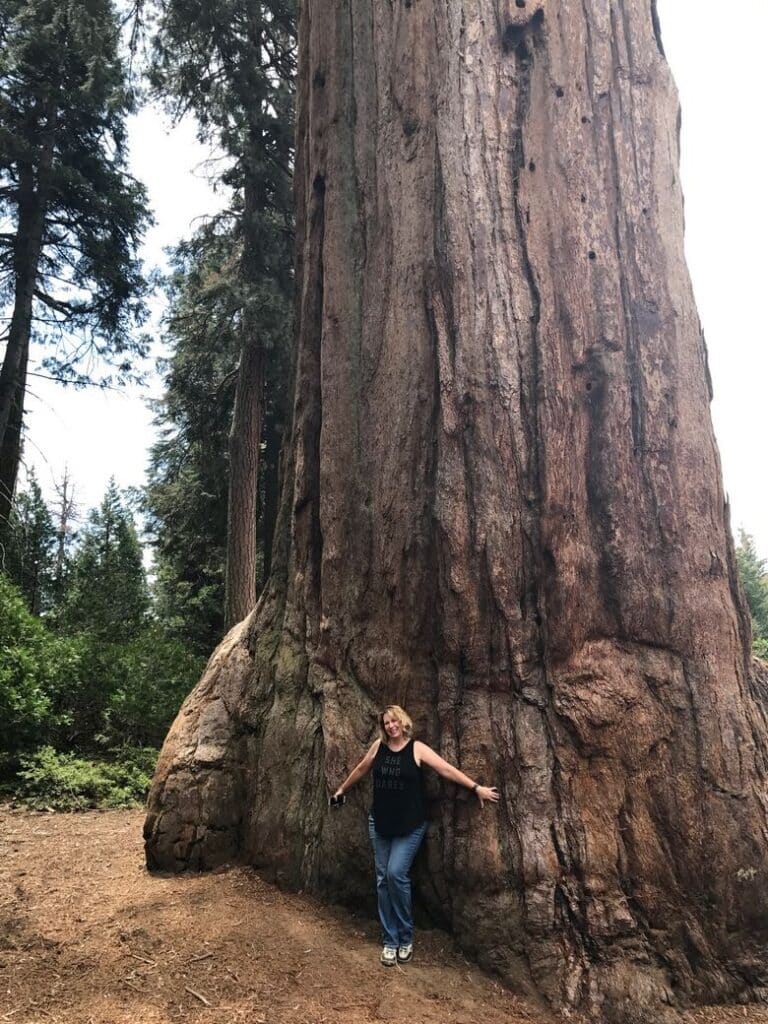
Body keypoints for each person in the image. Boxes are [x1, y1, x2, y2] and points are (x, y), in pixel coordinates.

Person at [331, 704, 500, 967]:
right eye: (386, 723)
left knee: (395, 873)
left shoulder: (416, 749)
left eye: (394, 721)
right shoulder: (378, 747)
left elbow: (445, 769)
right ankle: (390, 940)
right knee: (382, 880)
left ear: (402, 722)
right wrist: (342, 789)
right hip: (381, 823)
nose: (390, 726)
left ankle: (405, 936)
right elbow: (362, 769)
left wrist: (475, 787)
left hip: (410, 825)